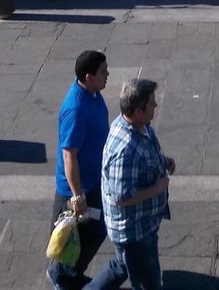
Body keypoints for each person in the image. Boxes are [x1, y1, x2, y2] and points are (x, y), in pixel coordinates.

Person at [89, 78, 175, 290]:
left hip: (143, 223)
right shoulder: (125, 149)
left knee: (122, 265)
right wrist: (158, 188)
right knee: (149, 281)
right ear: (137, 111)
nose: (156, 106)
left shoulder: (139, 125)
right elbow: (121, 197)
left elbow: (145, 150)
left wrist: (162, 160)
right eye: (152, 103)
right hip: (134, 231)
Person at [48, 50, 111, 290]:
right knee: (73, 237)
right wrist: (77, 196)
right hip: (76, 190)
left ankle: (69, 274)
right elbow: (69, 155)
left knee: (94, 230)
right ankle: (62, 279)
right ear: (88, 76)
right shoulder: (75, 109)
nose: (108, 75)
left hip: (93, 180)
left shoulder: (93, 94)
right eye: (103, 72)